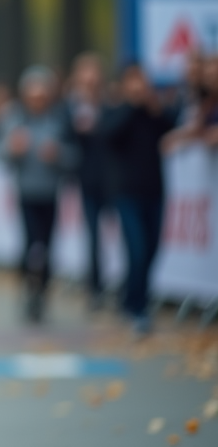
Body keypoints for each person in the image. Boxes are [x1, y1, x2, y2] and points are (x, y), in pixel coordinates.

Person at [0, 66, 77, 324]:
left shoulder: (60, 119)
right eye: (33, 94)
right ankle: (28, 291)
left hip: (51, 193)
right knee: (30, 245)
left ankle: (42, 294)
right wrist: (12, 149)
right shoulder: (13, 118)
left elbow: (76, 156)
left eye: (43, 94)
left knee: (48, 246)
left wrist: (59, 154)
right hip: (25, 191)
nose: (38, 99)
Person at [101, 62, 177, 334]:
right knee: (137, 248)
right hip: (126, 192)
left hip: (155, 190)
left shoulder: (153, 111)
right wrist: (132, 106)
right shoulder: (116, 110)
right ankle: (137, 307)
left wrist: (155, 108)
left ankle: (129, 293)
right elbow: (109, 135)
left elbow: (171, 126)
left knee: (153, 249)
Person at [65, 53, 114, 311]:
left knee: (126, 235)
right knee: (93, 235)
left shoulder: (112, 103)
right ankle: (95, 287)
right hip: (88, 178)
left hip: (117, 178)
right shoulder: (70, 107)